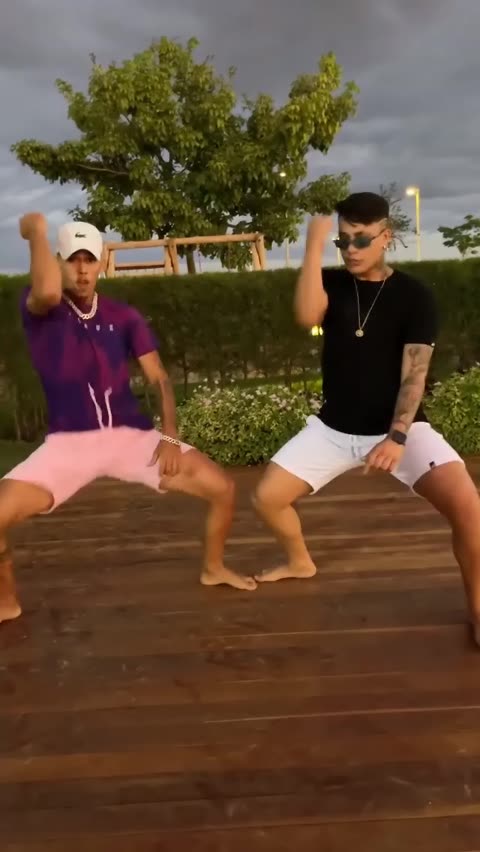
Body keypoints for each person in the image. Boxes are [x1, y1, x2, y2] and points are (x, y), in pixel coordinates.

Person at [0, 213, 256, 623]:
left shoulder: (124, 316)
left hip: (130, 438)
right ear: (59, 262)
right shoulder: (42, 309)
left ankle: (214, 569)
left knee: (223, 488)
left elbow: (159, 378)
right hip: (69, 444)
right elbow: (47, 290)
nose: (82, 270)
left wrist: (169, 436)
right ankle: (6, 602)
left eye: (89, 259)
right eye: (72, 260)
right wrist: (36, 233)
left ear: (102, 262)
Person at [252, 191, 480, 644]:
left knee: (469, 509)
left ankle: (478, 609)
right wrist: (313, 245)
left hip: (400, 429)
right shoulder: (333, 284)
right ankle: (300, 561)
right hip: (334, 429)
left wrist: (396, 437)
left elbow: (415, 374)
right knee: (267, 498)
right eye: (342, 241)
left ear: (385, 237)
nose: (351, 250)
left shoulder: (414, 296)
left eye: (361, 240)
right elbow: (306, 315)